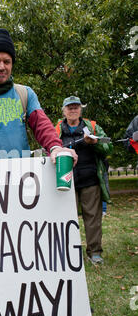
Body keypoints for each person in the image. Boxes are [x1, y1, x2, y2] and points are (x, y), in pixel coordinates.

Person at [0, 28, 77, 180]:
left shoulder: (25, 93)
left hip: (23, 176)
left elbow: (42, 125)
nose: (2, 66)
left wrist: (56, 147)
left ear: (12, 64)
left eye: (7, 61)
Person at [55, 96, 113, 264]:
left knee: (93, 218)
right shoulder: (56, 129)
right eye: (69, 107)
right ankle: (68, 253)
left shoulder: (92, 126)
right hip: (65, 180)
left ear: (81, 110)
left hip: (90, 179)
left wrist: (94, 142)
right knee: (65, 218)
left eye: (76, 107)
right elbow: (48, 148)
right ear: (64, 111)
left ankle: (94, 252)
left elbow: (108, 146)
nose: (73, 110)